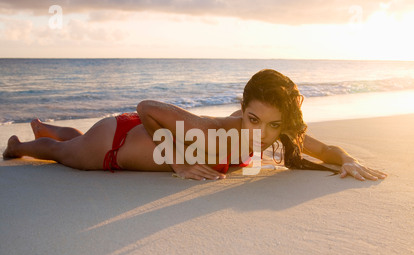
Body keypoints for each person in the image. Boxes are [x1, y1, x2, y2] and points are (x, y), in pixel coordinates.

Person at [2, 69, 387, 181]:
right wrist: (177, 161)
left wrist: (347, 159)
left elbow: (323, 150)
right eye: (254, 120)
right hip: (115, 144)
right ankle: (21, 144)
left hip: (126, 138)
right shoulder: (212, 129)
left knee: (72, 142)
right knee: (62, 155)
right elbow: (147, 106)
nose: (262, 134)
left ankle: (48, 127)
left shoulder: (277, 133)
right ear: (242, 109)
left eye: (274, 126)